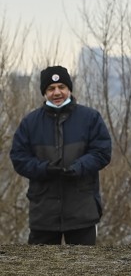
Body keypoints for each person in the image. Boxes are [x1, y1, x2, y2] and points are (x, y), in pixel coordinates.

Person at [9, 66, 112, 245]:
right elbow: (19, 157)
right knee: (39, 269)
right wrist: (44, 169)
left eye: (61, 87)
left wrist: (78, 167)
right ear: (44, 92)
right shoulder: (30, 123)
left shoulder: (90, 118)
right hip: (43, 213)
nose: (57, 92)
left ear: (69, 89)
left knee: (84, 269)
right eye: (51, 88)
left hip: (82, 211)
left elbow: (102, 152)